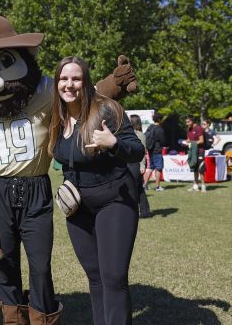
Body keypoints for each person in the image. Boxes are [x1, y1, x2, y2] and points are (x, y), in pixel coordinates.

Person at [0, 14, 137, 323]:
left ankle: (43, 316)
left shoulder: (45, 90)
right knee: (3, 260)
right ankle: (13, 318)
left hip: (36, 186)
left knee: (40, 264)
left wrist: (112, 84)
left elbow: (78, 96)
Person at [48, 56, 144, 325]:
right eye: (64, 79)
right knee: (95, 276)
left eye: (76, 78)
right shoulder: (58, 116)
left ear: (86, 81)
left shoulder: (106, 110)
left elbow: (137, 150)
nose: (70, 85)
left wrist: (114, 143)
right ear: (57, 84)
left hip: (115, 199)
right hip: (78, 207)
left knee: (113, 277)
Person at [130, 115, 153, 219]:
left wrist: (142, 165)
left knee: (135, 188)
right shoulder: (135, 134)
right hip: (132, 164)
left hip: (136, 165)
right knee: (139, 189)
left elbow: (142, 151)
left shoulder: (140, 135)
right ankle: (145, 211)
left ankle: (139, 211)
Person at [143, 112, 166, 192]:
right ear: (159, 119)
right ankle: (157, 186)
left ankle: (144, 185)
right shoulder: (159, 129)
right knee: (158, 168)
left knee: (150, 167)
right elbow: (163, 141)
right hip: (157, 150)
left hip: (150, 150)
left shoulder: (150, 127)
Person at [182, 115, 206, 193]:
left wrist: (192, 144)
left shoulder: (198, 128)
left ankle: (203, 186)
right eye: (186, 122)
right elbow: (189, 139)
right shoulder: (189, 129)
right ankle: (195, 186)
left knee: (201, 169)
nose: (187, 123)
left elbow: (201, 141)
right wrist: (184, 142)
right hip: (192, 151)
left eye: (188, 122)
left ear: (193, 121)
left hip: (200, 151)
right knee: (194, 168)